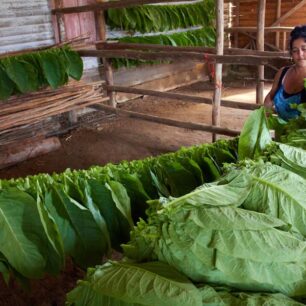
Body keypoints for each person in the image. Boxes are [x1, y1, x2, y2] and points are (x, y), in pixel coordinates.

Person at [264, 25, 306, 121]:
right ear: (291, 53)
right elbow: (270, 97)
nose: (300, 54)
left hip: (302, 135)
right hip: (282, 134)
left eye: (304, 49)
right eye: (295, 50)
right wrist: (264, 115)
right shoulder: (283, 73)